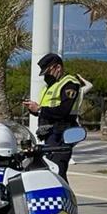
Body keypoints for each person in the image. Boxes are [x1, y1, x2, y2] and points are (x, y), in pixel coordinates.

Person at [23, 52, 81, 182]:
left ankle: (64, 200)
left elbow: (64, 110)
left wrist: (40, 109)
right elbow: (47, 109)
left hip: (63, 133)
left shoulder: (70, 83)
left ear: (58, 68)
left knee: (58, 170)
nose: (46, 76)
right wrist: (35, 109)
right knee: (51, 171)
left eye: (48, 72)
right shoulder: (50, 86)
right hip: (51, 135)